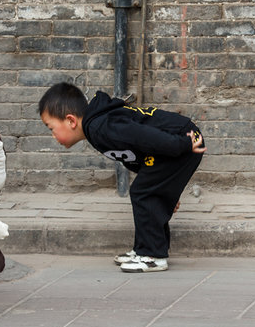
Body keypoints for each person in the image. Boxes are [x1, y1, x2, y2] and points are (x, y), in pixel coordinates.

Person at [38, 82, 206, 272]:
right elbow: (136, 153)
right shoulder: (95, 126)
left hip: (181, 140)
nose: (52, 135)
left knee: (142, 192)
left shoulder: (102, 127)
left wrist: (182, 145)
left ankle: (152, 255)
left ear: (70, 121)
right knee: (147, 192)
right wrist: (165, 190)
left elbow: (144, 136)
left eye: (51, 128)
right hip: (173, 142)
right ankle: (145, 249)